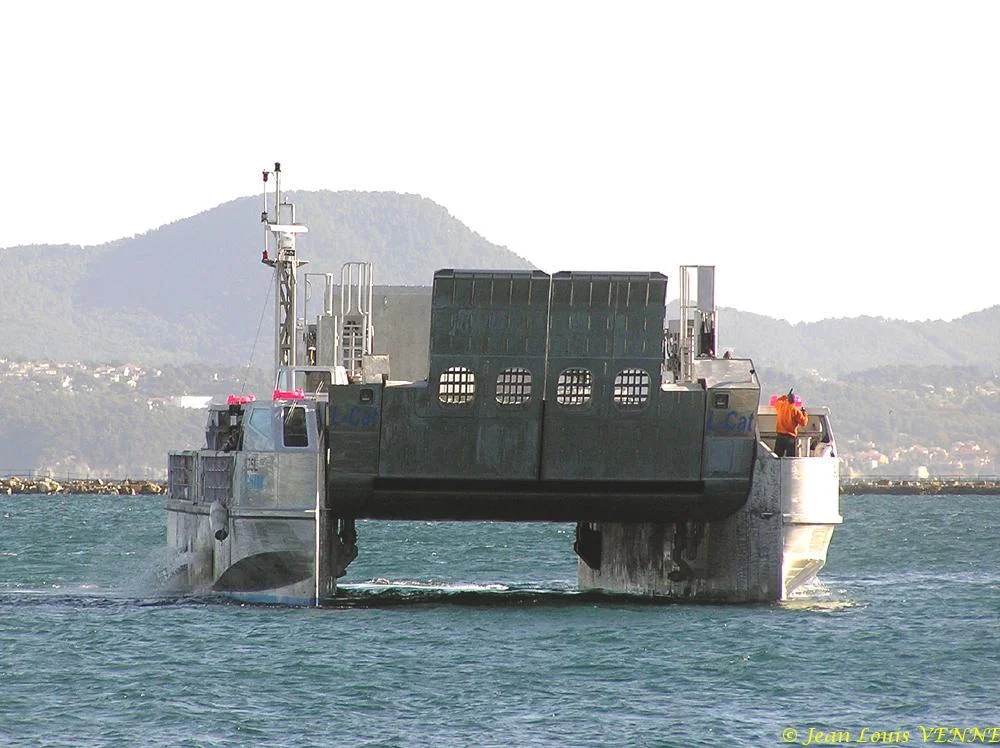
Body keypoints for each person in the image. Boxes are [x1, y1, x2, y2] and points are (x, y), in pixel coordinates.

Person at [774, 388, 807, 457]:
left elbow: (777, 401)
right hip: (790, 438)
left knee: (777, 457)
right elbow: (803, 423)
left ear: (787, 399)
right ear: (794, 401)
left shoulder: (781, 406)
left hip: (780, 436)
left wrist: (784, 396)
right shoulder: (795, 410)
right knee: (790, 459)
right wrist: (804, 413)